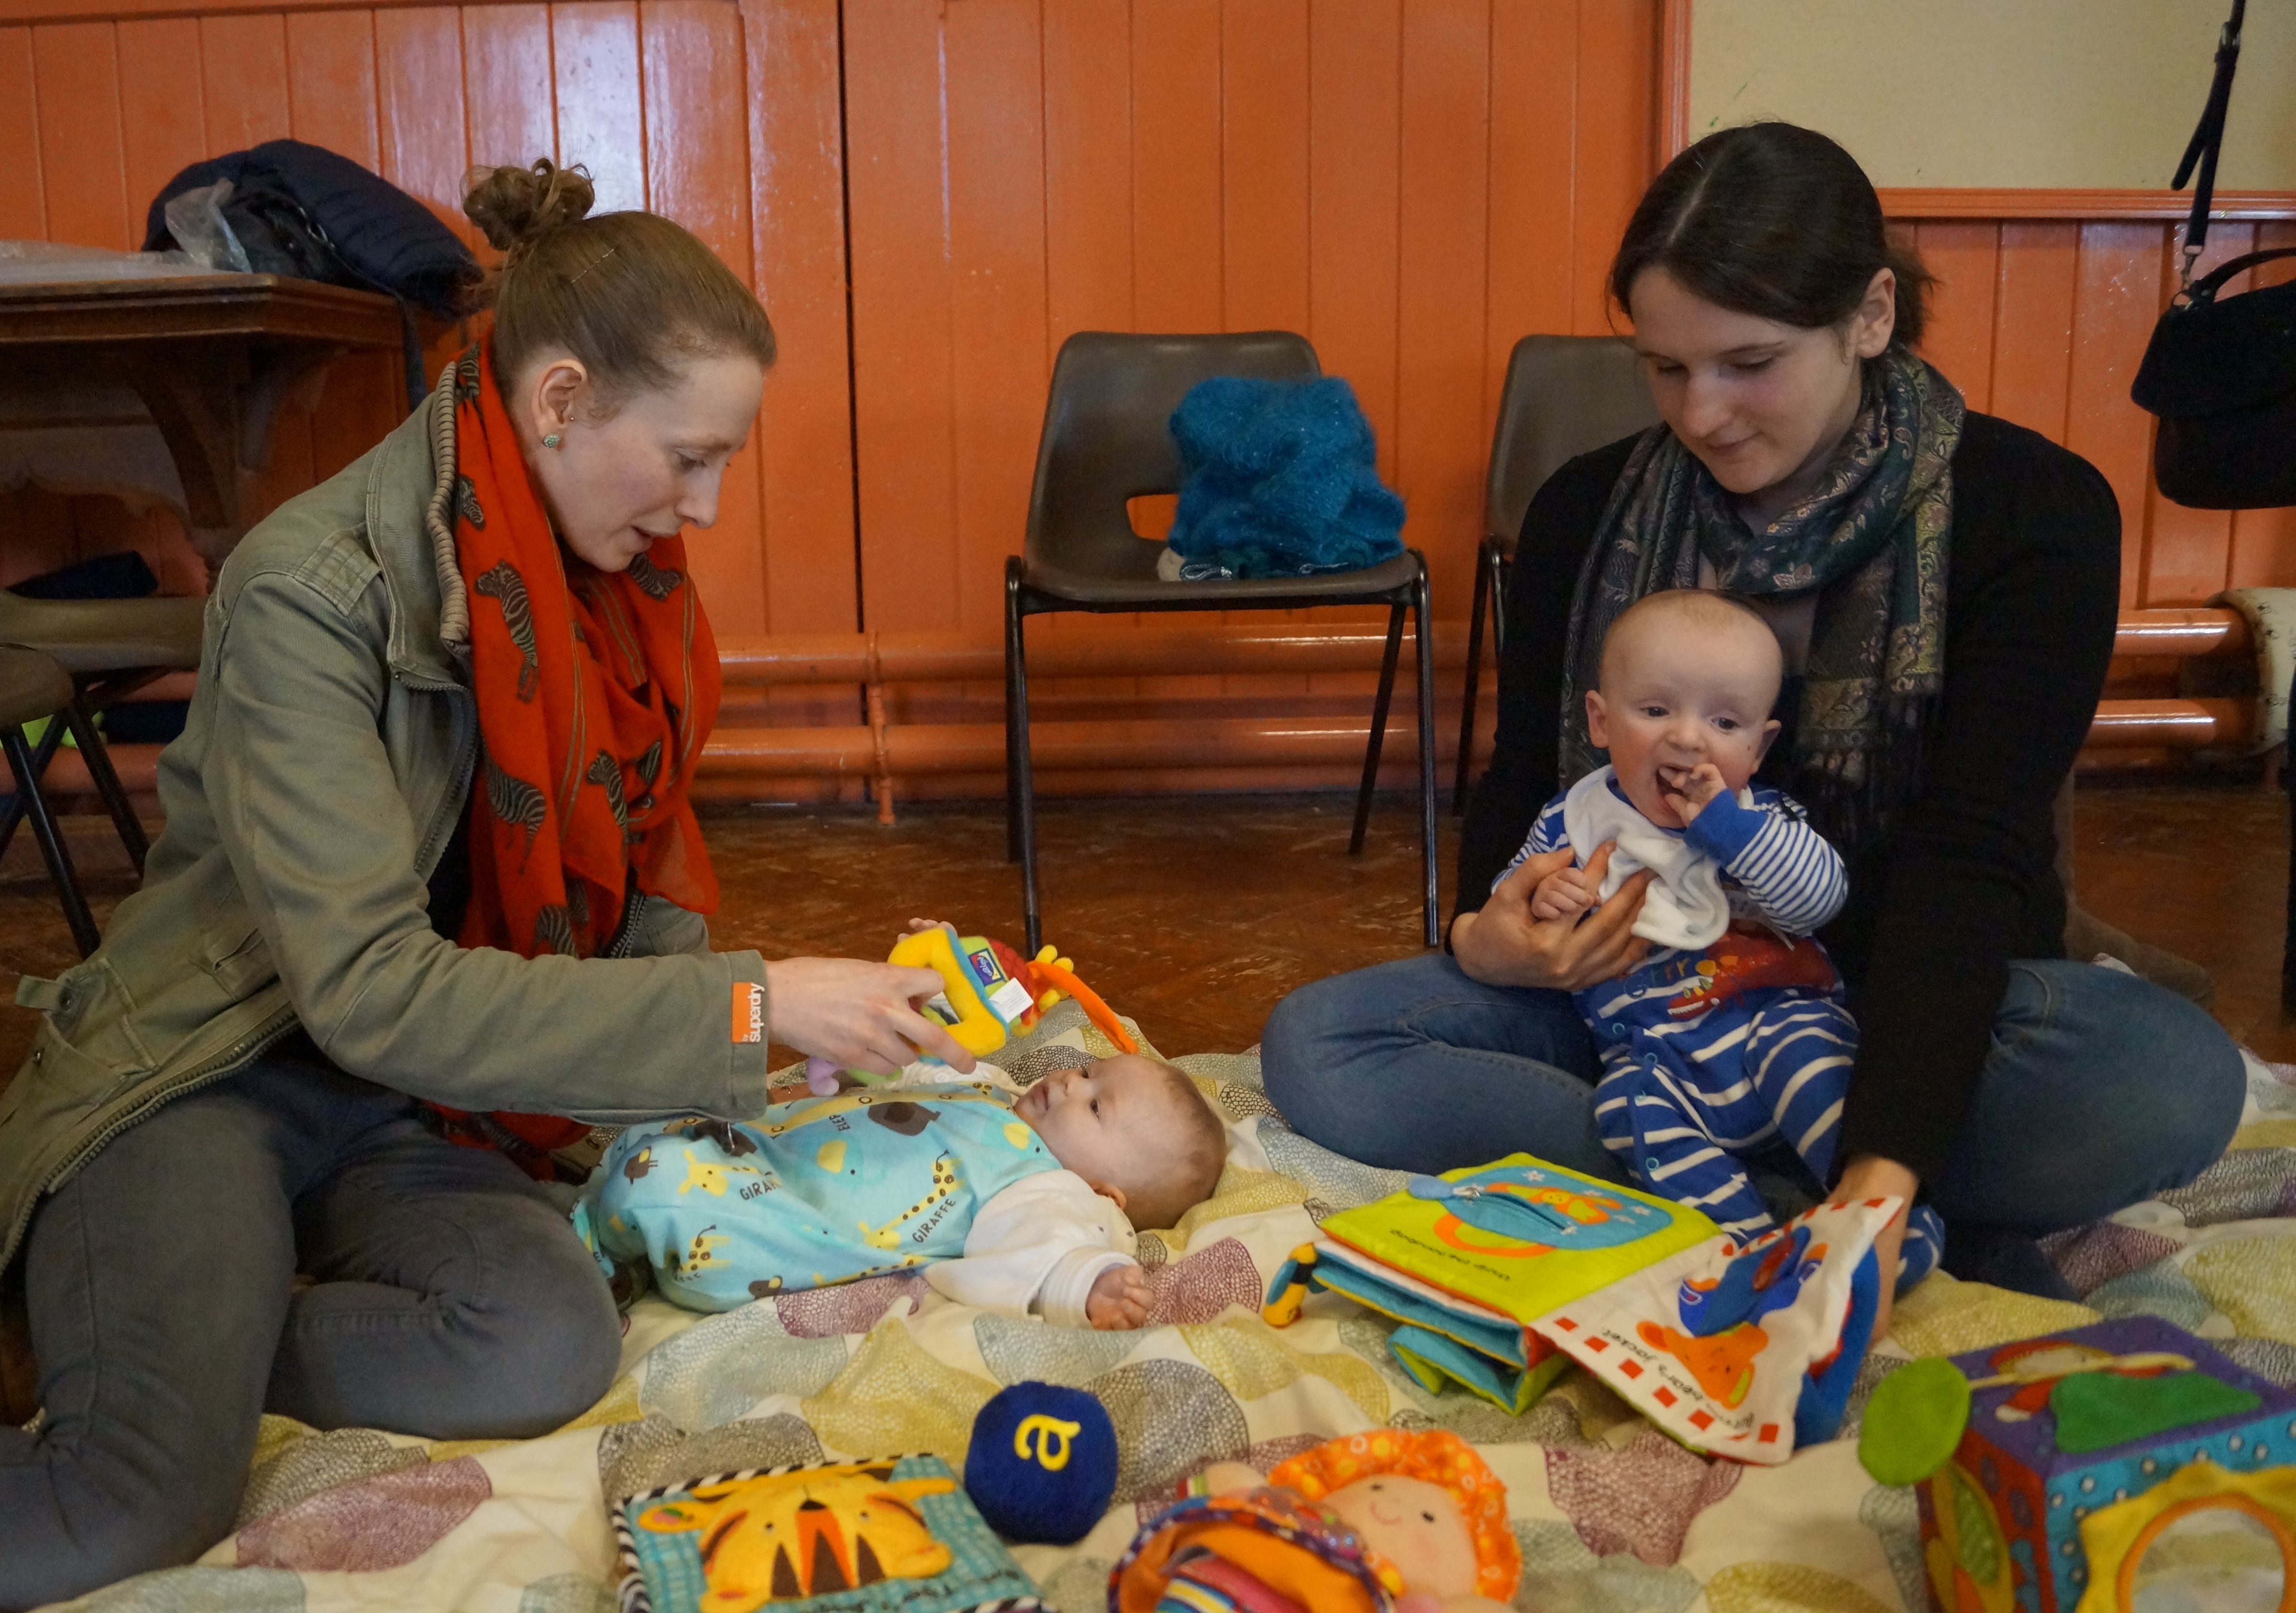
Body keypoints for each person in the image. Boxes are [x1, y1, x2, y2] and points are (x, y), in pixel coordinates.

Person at [0, 159, 985, 1612]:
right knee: (120, 1508)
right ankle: (119, 1346)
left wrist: (753, 1059)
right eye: (688, 457)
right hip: (211, 1073)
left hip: (397, 1103)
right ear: (561, 399)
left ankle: (156, 1329)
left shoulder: (604, 586)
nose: (705, 508)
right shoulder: (311, 590)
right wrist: (751, 1007)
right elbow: (368, 993)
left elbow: (628, 907)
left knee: (541, 1342)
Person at [1261, 122, 2245, 1335]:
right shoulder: (1584, 511)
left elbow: (1968, 867)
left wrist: (1880, 1165)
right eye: (1665, 369)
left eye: (1748, 364)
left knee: (2166, 1079)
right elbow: (1522, 785)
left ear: (1870, 315)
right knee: (1320, 1044)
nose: (1703, 414)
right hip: (1635, 1012)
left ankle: (1816, 1178)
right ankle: (1794, 1194)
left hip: (1895, 1005)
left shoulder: (2029, 514)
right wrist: (1488, 941)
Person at [1516, 588, 1941, 1284]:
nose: (1688, 739)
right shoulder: (1571, 822)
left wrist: (1731, 832)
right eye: (1656, 710)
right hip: (1657, 1059)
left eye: (1723, 721)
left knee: (1814, 1055)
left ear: (1760, 745)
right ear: (1600, 720)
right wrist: (1545, 900)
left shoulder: (1763, 819)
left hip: (1773, 1021)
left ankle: (1884, 1226)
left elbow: (1821, 897)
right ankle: (1745, 1246)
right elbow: (1514, 904)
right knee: (1623, 1107)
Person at [580, 1054, 1228, 1329]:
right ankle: (609, 1235)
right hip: (770, 1154)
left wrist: (1092, 1283)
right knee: (664, 1132)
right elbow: (928, 1065)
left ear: (1103, 1191)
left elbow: (1053, 1247)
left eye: (1094, 1107)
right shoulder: (997, 1093)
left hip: (766, 1223)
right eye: (1087, 1071)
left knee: (660, 1182)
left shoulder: (1046, 1187)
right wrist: (937, 982)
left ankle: (600, 1261)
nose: (1068, 1083)